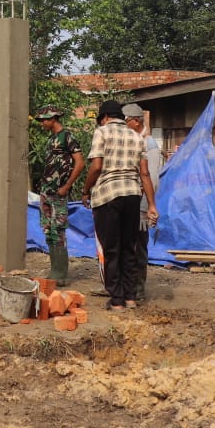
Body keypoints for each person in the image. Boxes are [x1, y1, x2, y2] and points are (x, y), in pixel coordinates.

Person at [81, 100, 157, 311]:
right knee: (129, 247)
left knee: (111, 248)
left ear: (104, 117)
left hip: (108, 195)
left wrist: (86, 190)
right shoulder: (136, 136)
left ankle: (116, 300)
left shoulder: (102, 132)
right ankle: (130, 297)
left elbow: (96, 167)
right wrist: (151, 204)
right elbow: (145, 173)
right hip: (132, 195)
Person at [33, 106, 84, 286]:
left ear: (53, 119)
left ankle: (61, 274)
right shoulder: (51, 139)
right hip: (46, 191)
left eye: (44, 120)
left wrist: (67, 186)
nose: (42, 124)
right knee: (49, 230)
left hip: (59, 192)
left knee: (59, 231)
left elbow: (80, 163)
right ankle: (54, 270)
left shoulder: (67, 137)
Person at [123, 103, 164, 300]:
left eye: (126, 121)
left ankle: (138, 289)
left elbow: (152, 179)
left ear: (137, 121)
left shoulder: (149, 145)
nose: (124, 126)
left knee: (139, 246)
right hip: (129, 202)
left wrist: (147, 207)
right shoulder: (133, 141)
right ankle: (127, 286)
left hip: (141, 205)